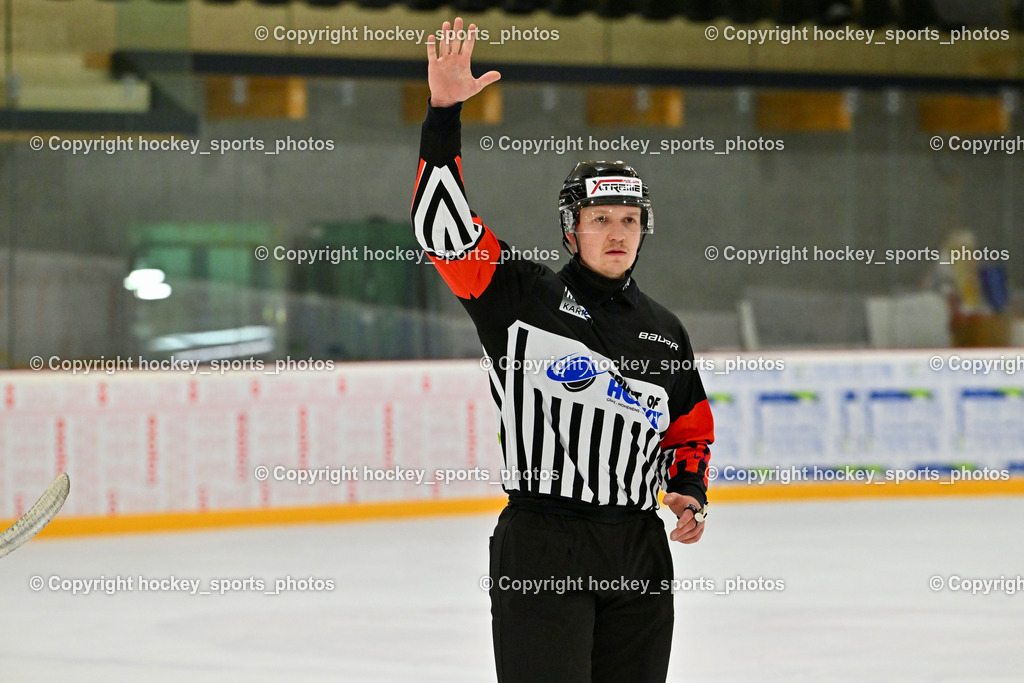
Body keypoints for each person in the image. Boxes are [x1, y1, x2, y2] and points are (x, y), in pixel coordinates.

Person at [411, 18, 714, 683]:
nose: (618, 232)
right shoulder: (518, 294)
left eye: (630, 219)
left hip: (637, 549)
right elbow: (441, 230)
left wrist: (687, 490)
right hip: (543, 543)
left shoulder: (663, 328)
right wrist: (443, 116)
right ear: (570, 229)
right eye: (601, 218)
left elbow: (689, 424)